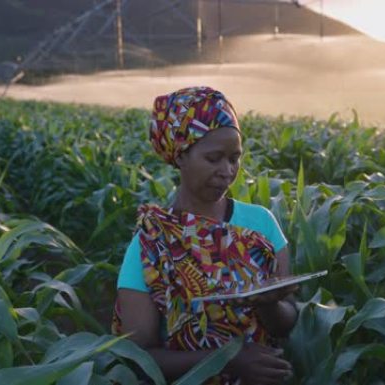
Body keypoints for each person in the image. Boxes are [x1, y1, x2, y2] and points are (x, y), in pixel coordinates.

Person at [113, 86, 299, 385]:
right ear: (181, 156)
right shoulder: (149, 244)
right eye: (214, 158)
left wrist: (269, 304)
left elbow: (285, 324)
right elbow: (138, 356)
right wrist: (229, 360)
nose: (228, 171)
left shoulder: (261, 224)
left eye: (235, 158)